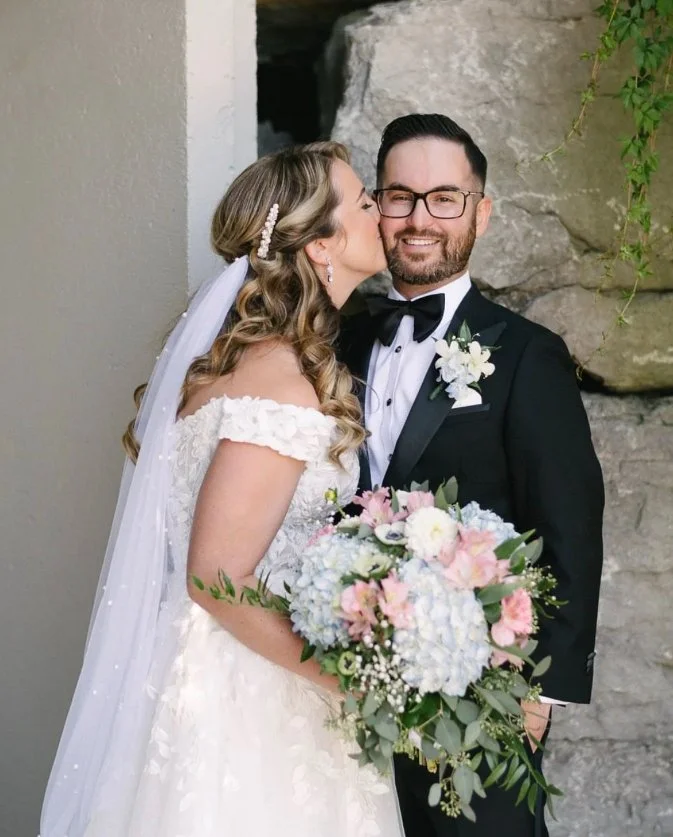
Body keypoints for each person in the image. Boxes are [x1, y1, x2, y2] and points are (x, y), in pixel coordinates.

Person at [40, 141, 405, 837]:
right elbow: (215, 576)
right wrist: (351, 678)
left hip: (223, 668)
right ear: (320, 244)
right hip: (252, 698)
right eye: (364, 202)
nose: (380, 211)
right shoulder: (280, 380)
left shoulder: (248, 365)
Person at [340, 114, 604, 837]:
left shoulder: (525, 356)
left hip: (478, 694)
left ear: (480, 214)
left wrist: (540, 686)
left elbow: (569, 525)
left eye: (444, 198)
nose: (419, 219)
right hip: (341, 690)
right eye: (400, 196)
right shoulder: (336, 341)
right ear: (376, 206)